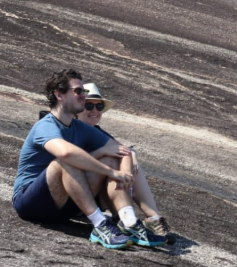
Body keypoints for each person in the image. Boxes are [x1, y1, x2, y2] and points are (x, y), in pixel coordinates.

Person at [12, 69, 166, 249]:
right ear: (59, 94)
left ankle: (129, 223)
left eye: (84, 91)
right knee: (66, 161)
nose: (83, 96)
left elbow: (123, 150)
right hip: (31, 204)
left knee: (110, 157)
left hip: (65, 208)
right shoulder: (45, 126)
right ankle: (100, 225)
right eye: (78, 91)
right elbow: (66, 154)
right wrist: (111, 172)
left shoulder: (80, 127)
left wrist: (123, 174)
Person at [77, 82, 175, 244]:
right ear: (78, 107)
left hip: (96, 195)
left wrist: (131, 157)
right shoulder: (70, 129)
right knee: (112, 161)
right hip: (79, 195)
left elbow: (123, 150)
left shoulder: (98, 132)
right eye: (89, 105)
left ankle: (152, 218)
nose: (95, 110)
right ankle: (131, 220)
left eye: (99, 106)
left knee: (128, 160)